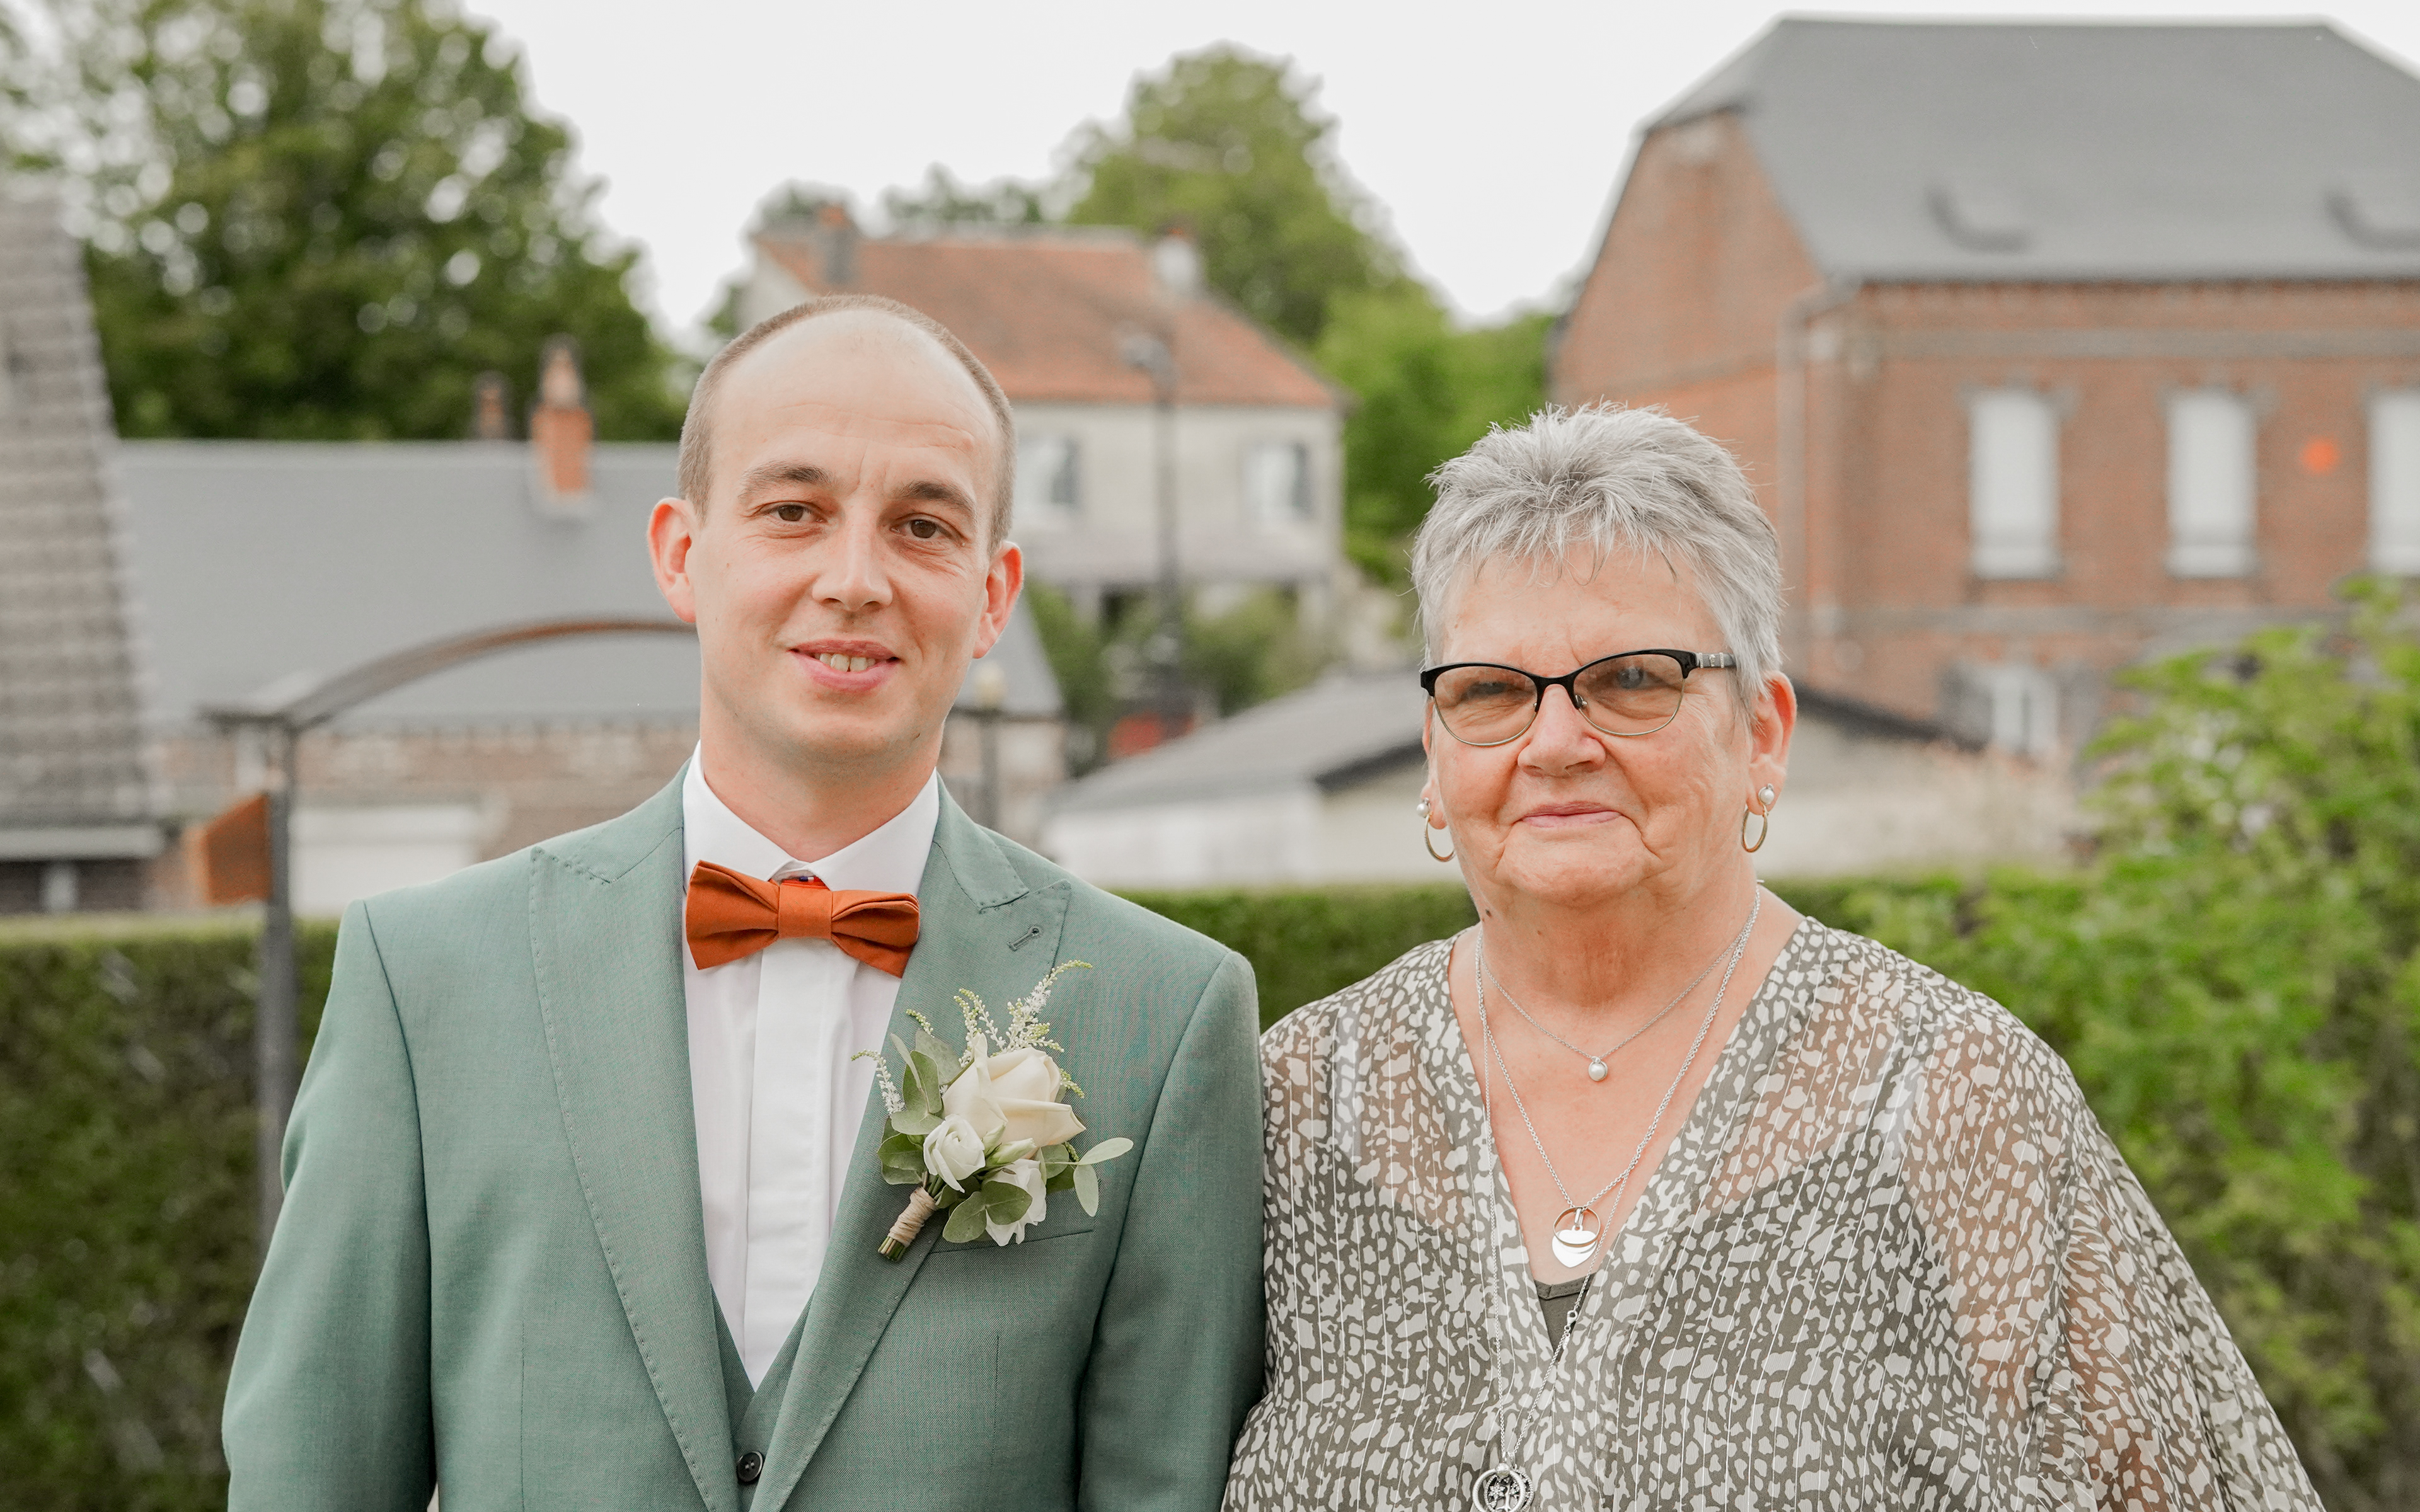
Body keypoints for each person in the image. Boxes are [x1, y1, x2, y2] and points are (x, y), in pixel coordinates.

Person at [223, 295, 1264, 1511]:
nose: (855, 579)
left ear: (994, 595)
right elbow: (314, 1473)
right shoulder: (426, 979)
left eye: (923, 526)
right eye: (793, 512)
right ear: (681, 554)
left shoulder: (1165, 1015)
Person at [1223, 405, 2321, 1509]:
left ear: (1763, 734)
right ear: (1433, 752)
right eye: (1491, 691)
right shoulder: (1298, 1104)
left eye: (1634, 680)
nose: (1555, 743)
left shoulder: (1955, 1100)